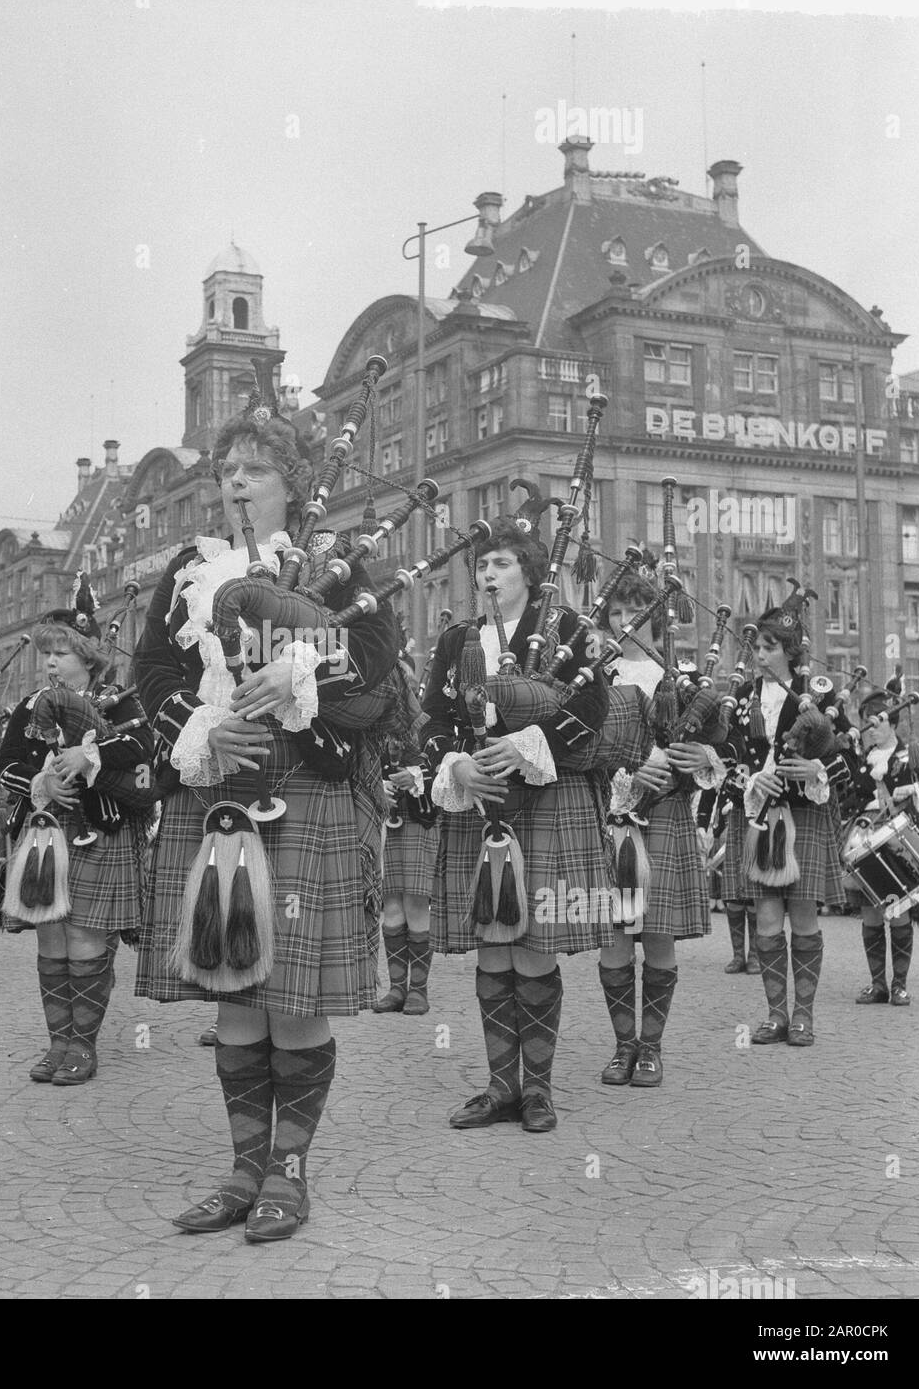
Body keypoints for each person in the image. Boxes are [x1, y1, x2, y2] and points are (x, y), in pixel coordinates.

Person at [133, 398, 395, 1242]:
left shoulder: (338, 566)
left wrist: (304, 676)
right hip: (219, 788)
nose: (238, 482)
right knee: (235, 995)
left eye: (257, 470)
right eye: (228, 470)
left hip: (307, 789)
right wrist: (203, 725)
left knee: (294, 996)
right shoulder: (189, 570)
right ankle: (245, 1168)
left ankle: (290, 1170)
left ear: (295, 484)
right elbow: (150, 679)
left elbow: (381, 679)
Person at [424, 504, 650, 1134]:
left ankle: (538, 1090)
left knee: (532, 948)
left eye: (501, 563)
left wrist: (531, 746)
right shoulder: (457, 641)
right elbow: (434, 723)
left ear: (527, 570)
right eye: (482, 565)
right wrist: (457, 767)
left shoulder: (570, 630)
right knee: (492, 949)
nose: (490, 575)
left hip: (549, 800)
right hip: (480, 806)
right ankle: (501, 1086)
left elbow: (592, 710)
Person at [0, 594, 157, 1085]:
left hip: (100, 832)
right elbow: (6, 766)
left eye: (60, 653)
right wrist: (39, 781)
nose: (49, 662)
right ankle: (57, 1043)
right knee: (50, 936)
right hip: (47, 833)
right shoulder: (29, 708)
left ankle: (83, 1047)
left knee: (85, 937)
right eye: (45, 653)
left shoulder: (121, 702)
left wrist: (92, 759)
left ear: (87, 657)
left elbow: (144, 759)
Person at [598, 570, 718, 1087]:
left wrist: (701, 755)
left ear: (657, 619)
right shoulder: (595, 674)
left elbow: (718, 751)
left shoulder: (682, 678)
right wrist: (623, 766)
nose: (625, 624)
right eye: (617, 614)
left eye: (636, 614)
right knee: (615, 937)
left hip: (665, 813)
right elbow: (574, 743)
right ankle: (624, 1046)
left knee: (658, 934)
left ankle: (652, 1046)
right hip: (610, 815)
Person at [725, 586, 851, 1047]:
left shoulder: (815, 695)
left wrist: (817, 766)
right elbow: (725, 761)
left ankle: (804, 1015)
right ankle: (776, 1014)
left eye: (768, 647)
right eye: (755, 646)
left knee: (803, 918)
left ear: (790, 652)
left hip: (804, 814)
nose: (759, 655)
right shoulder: (739, 698)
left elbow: (848, 757)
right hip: (760, 818)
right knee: (765, 920)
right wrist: (751, 780)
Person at [848, 685, 919, 1006]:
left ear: (892, 723)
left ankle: (899, 985)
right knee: (871, 912)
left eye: (878, 721)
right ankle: (877, 984)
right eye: (867, 721)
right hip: (866, 838)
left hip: (898, 840)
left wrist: (914, 790)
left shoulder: (912, 753)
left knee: (898, 911)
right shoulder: (860, 760)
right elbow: (849, 800)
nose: (872, 727)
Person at [374, 657, 439, 1015]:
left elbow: (441, 771)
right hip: (386, 823)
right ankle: (397, 988)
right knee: (391, 905)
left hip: (419, 822)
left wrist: (416, 779)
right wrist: (378, 785)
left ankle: (419, 989)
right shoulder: (373, 728)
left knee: (416, 903)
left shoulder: (426, 727)